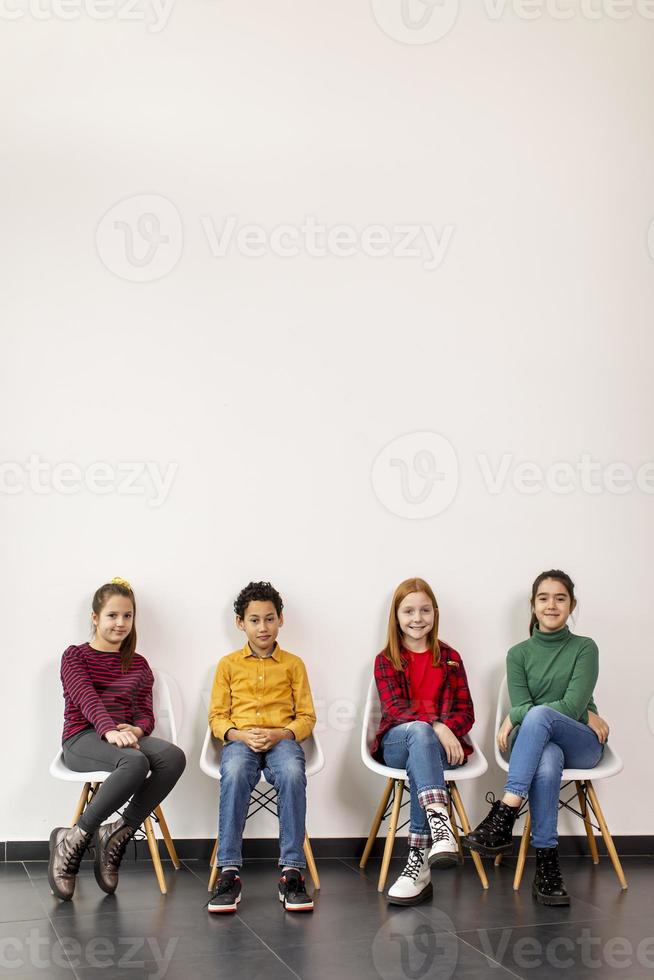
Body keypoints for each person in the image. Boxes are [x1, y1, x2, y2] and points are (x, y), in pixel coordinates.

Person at [462, 569, 609, 906]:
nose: (551, 605)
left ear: (572, 604)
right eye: (544, 598)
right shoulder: (518, 654)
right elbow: (531, 704)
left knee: (540, 716)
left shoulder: (585, 648)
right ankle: (547, 866)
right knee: (547, 758)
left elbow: (569, 707)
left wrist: (516, 716)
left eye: (560, 598)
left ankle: (506, 810)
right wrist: (527, 711)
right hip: (541, 745)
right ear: (533, 605)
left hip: (582, 743)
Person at [48, 577, 186, 901]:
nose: (120, 623)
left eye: (127, 616)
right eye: (112, 615)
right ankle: (74, 838)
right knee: (135, 761)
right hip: (83, 739)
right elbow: (86, 699)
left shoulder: (138, 664)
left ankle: (117, 832)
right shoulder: (75, 657)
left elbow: (145, 715)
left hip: (122, 738)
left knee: (173, 757)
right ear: (95, 618)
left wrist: (135, 731)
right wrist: (110, 730)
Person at [207, 581, 317, 913]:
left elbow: (307, 717)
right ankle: (229, 871)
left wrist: (282, 734)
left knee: (292, 772)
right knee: (237, 771)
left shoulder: (293, 664)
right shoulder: (228, 665)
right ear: (240, 623)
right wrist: (239, 736)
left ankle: (292, 871)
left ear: (281, 619)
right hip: (241, 741)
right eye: (254, 620)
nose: (263, 627)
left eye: (269, 619)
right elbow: (216, 717)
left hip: (281, 741)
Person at [371, 577, 475, 906]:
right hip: (397, 743)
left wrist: (443, 728)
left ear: (435, 613)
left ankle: (418, 863)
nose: (418, 618)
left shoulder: (451, 657)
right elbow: (396, 710)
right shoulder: (386, 659)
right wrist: (436, 725)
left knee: (424, 755)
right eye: (409, 611)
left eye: (425, 610)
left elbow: (467, 712)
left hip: (437, 752)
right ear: (396, 616)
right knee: (419, 733)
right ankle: (441, 827)